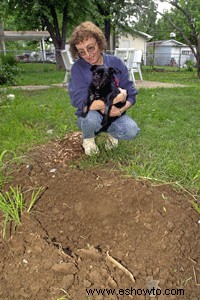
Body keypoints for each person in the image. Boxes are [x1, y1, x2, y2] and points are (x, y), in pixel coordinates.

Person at [68, 21, 140, 155]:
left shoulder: (116, 63)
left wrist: (120, 110)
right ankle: (88, 138)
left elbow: (131, 92)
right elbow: (81, 101)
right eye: (82, 52)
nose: (88, 55)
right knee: (90, 119)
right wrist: (114, 99)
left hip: (114, 115)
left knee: (131, 130)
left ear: (99, 43)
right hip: (91, 115)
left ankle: (112, 134)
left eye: (91, 48)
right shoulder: (78, 68)